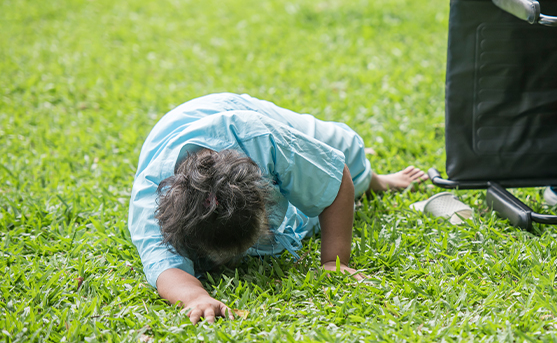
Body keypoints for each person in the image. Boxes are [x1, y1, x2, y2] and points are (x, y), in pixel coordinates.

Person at [128, 93, 427, 324]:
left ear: (263, 191)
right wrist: (195, 297)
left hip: (239, 113)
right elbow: (163, 264)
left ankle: (375, 180)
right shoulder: (150, 205)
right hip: (177, 126)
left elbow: (337, 177)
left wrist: (334, 261)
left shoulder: (263, 138)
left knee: (347, 149)